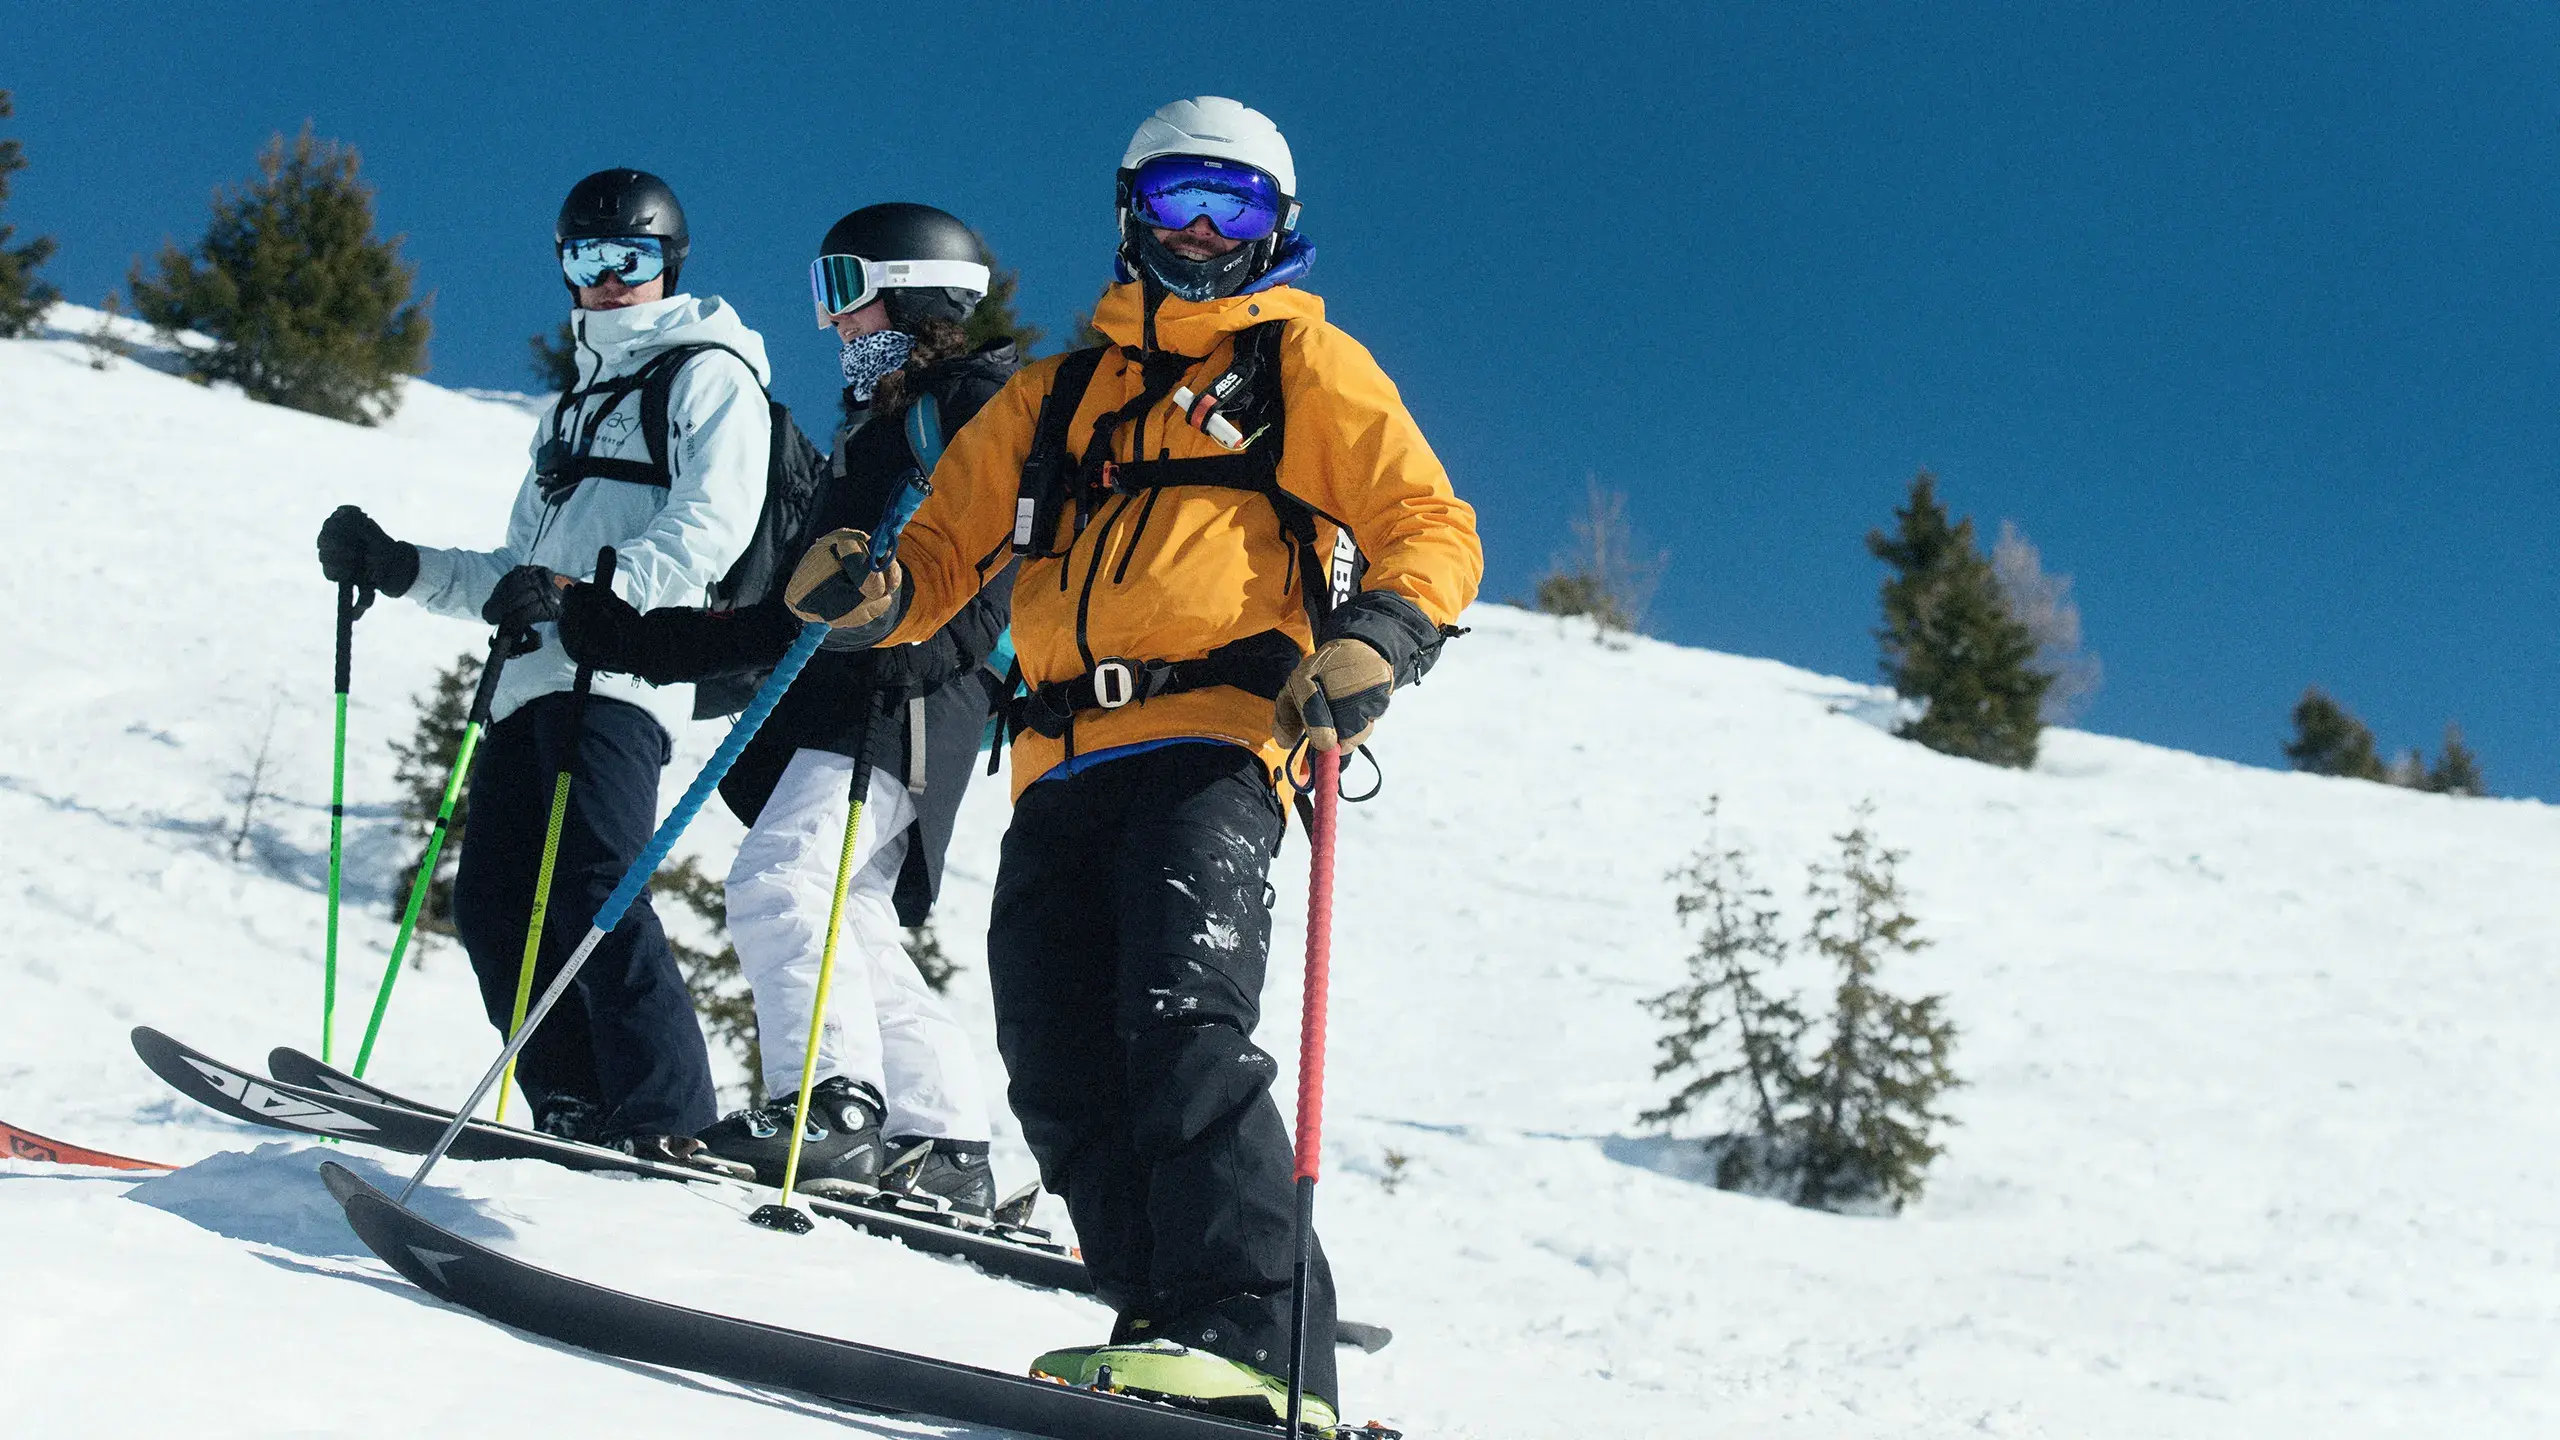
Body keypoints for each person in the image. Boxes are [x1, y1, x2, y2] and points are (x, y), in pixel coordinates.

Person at [784, 98, 1482, 1427]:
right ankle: (1168, 1326)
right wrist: (873, 595)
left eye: (1233, 207)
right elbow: (944, 553)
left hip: (1215, 744)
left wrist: (1381, 635)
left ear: (1278, 230)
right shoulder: (1059, 396)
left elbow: (1426, 522)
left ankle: (1262, 1347)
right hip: (1056, 759)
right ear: (1130, 218)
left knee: (1180, 1024)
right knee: (1057, 1058)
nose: (1203, 233)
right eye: (1177, 203)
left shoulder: (1301, 370)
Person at [555, 203, 1018, 1215]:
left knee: (780, 881)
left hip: (909, 701)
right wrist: (641, 642)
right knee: (845, 913)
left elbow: (999, 575)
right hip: (864, 702)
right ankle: (943, 1139)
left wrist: (897, 652)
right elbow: (788, 619)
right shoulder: (875, 437)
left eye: (846, 293)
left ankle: (830, 1107)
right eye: (823, 295)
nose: (831, 322)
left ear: (921, 292)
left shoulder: (978, 405)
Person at [315, 168, 771, 1162]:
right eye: (587, 260)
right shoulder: (573, 408)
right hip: (528, 686)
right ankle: (573, 1101)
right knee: (490, 907)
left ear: (668, 267)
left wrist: (587, 601)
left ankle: (667, 1122)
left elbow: (709, 527)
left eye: (630, 260)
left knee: (598, 893)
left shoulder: (707, 373)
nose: (608, 280)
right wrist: (401, 568)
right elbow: (517, 571)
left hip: (617, 679)